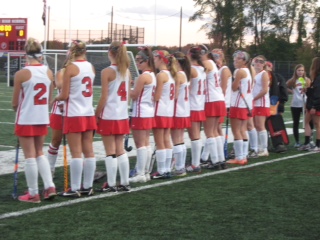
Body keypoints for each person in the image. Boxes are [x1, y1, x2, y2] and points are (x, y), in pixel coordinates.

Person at [12, 37, 56, 203]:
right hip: (42, 116)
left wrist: (18, 110)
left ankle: (33, 193)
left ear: (26, 54)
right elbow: (49, 99)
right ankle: (49, 185)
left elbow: (15, 103)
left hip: (26, 117)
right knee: (39, 152)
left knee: (29, 155)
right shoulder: (49, 72)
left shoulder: (21, 74)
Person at [53, 40, 97, 197]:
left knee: (76, 153)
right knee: (89, 151)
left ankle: (74, 188)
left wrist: (55, 99)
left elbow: (64, 95)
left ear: (71, 52)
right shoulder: (91, 67)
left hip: (74, 113)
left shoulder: (70, 68)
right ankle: (88, 186)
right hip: (88, 112)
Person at [95, 41, 131, 191]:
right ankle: (124, 182)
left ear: (110, 52)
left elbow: (104, 97)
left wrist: (96, 114)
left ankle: (110, 184)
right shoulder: (127, 71)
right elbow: (127, 96)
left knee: (110, 150)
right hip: (121, 114)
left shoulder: (106, 72)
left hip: (109, 115)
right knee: (120, 149)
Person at [129, 47, 156, 183]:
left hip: (140, 112)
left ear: (146, 61)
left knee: (140, 144)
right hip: (148, 111)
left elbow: (134, 95)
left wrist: (125, 87)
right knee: (146, 143)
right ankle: (145, 172)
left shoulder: (144, 76)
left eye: (139, 60)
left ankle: (140, 173)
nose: (137, 63)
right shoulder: (152, 75)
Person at [151, 50, 176, 179]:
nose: (153, 60)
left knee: (159, 141)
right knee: (166, 139)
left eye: (155, 58)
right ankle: (166, 169)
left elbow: (157, 97)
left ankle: (161, 170)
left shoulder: (161, 75)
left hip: (160, 110)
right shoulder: (171, 75)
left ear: (161, 59)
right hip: (168, 110)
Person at [200, 48, 227, 170]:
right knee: (215, 131)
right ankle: (221, 160)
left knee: (209, 132)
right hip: (219, 98)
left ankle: (216, 161)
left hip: (211, 100)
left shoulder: (207, 63)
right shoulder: (211, 63)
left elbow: (199, 78)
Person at [227, 50, 254, 165]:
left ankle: (239, 157)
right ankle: (243, 156)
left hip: (238, 104)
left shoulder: (239, 72)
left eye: (238, 59)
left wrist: (234, 83)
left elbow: (233, 88)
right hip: (246, 105)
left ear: (245, 61)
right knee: (243, 130)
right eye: (235, 58)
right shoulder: (248, 71)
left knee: (236, 131)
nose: (235, 60)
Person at [186, 46, 206, 172]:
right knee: (196, 135)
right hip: (199, 104)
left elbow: (186, 88)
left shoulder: (192, 70)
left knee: (194, 135)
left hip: (192, 105)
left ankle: (195, 163)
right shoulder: (202, 69)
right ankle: (195, 161)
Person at [171, 51, 191, 176]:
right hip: (184, 109)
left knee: (177, 139)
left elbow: (175, 95)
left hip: (178, 109)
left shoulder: (178, 75)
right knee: (180, 139)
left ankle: (179, 167)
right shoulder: (184, 74)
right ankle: (180, 165)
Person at [265, 61, 288, 153]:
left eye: (268, 66)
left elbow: (283, 90)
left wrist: (281, 105)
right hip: (263, 104)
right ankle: (265, 144)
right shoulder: (259, 76)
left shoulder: (277, 77)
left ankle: (279, 143)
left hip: (274, 104)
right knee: (263, 125)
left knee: (276, 124)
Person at [286, 64, 311, 148]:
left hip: (305, 103)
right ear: (296, 71)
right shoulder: (292, 80)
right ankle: (297, 141)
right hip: (295, 104)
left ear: (304, 71)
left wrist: (307, 90)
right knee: (296, 123)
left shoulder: (307, 80)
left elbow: (311, 90)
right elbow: (285, 86)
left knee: (308, 122)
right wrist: (291, 91)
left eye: (302, 70)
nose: (300, 72)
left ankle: (308, 141)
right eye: (299, 70)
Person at [251, 55, 270, 156]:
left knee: (260, 125)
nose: (258, 63)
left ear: (264, 64)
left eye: (261, 61)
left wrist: (253, 99)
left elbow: (264, 90)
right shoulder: (254, 74)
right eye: (256, 61)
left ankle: (264, 149)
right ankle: (258, 147)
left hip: (261, 103)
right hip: (255, 103)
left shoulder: (264, 74)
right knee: (255, 126)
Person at [306, 57, 320, 151]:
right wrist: (308, 90)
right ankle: (309, 142)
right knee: (309, 122)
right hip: (314, 104)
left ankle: (318, 145)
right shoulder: (316, 78)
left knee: (317, 124)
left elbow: (317, 93)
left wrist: (314, 106)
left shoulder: (318, 78)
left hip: (316, 105)